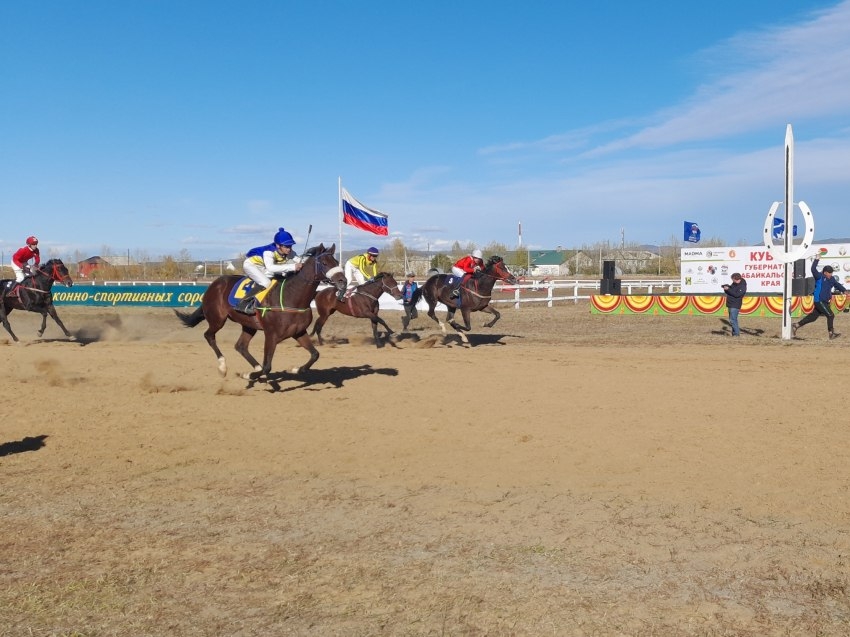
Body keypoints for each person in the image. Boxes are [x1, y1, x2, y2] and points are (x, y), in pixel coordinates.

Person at [236, 228, 301, 314]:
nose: (289, 249)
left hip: (263, 266)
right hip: (251, 265)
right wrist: (293, 267)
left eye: (290, 246)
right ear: (278, 245)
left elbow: (299, 260)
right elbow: (271, 268)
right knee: (265, 282)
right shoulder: (269, 252)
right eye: (286, 246)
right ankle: (242, 303)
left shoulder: (289, 252)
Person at [793, 258, 848, 339]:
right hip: (819, 300)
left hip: (825, 301)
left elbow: (837, 285)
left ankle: (796, 325)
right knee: (830, 315)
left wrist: (844, 290)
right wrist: (816, 259)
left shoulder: (832, 279)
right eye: (829, 273)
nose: (830, 274)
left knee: (813, 317)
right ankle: (831, 333)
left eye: (831, 273)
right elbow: (813, 269)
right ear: (825, 272)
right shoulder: (819, 276)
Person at [721, 272, 747, 337]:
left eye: (732, 280)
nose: (732, 281)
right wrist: (726, 288)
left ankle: (736, 334)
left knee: (733, 320)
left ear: (735, 279)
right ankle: (734, 334)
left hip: (735, 305)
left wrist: (728, 289)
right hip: (731, 303)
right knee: (732, 320)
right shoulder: (735, 283)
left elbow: (737, 294)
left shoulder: (742, 286)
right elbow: (731, 291)